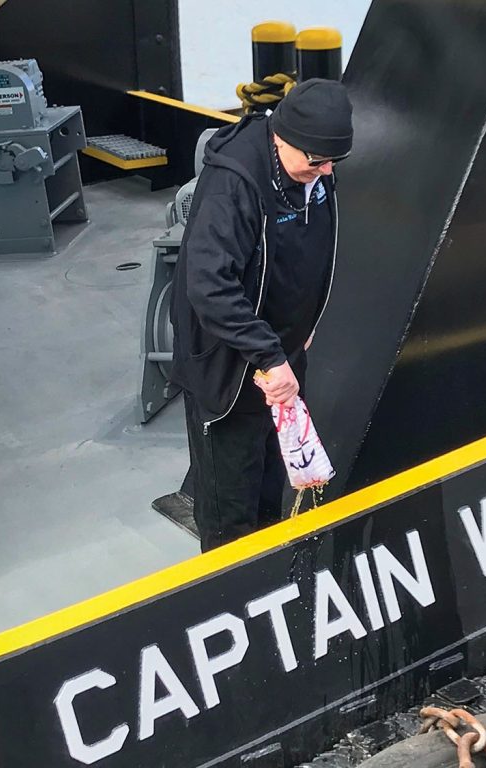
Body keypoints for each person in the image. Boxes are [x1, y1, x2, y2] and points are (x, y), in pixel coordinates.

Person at [169, 79, 353, 551]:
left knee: (274, 489)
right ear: (282, 138)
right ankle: (231, 592)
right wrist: (270, 357)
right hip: (231, 370)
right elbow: (209, 285)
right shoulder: (235, 184)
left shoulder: (310, 168)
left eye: (334, 161)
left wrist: (301, 334)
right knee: (232, 507)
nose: (327, 171)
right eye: (316, 161)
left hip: (281, 360)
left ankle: (269, 571)